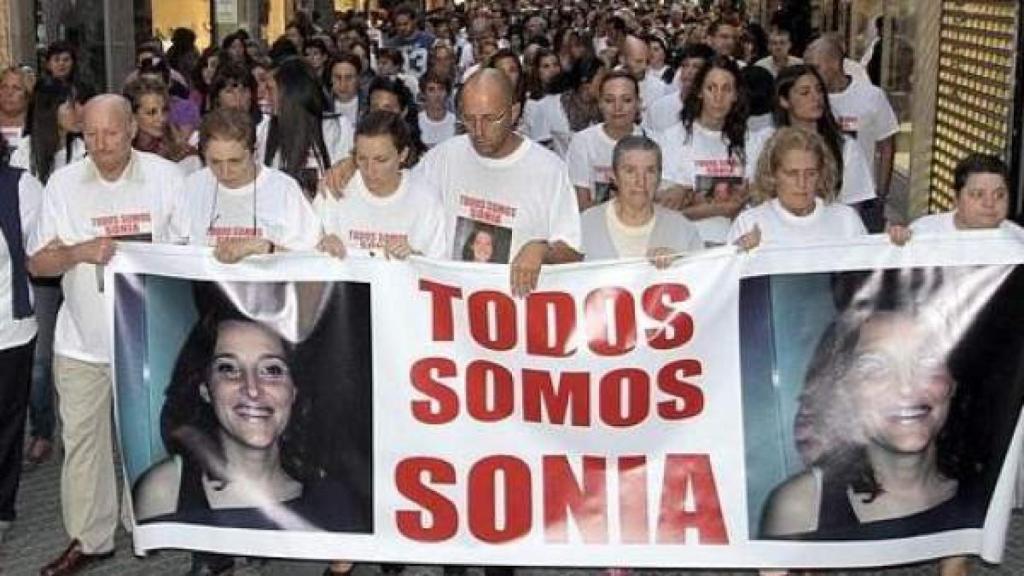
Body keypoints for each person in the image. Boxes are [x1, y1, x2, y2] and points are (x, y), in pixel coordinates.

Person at [28, 94, 185, 576]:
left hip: (148, 338)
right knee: (83, 445)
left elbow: (190, 251)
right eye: (90, 134)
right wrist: (77, 252)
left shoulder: (166, 178)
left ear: (133, 128)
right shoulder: (63, 183)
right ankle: (89, 539)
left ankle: (146, 526)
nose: (100, 144)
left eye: (111, 133)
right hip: (81, 343)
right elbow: (38, 262)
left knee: (147, 439)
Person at [761, 270, 985, 544]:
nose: (906, 386)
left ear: (952, 382)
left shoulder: (988, 497)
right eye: (874, 368)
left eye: (927, 361)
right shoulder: (801, 508)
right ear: (844, 392)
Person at [131, 299, 369, 531]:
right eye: (228, 368)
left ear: (294, 389)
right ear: (205, 388)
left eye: (271, 370)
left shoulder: (336, 503)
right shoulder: (164, 493)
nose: (252, 389)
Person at [419, 69, 582, 295]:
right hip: (451, 305)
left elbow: (572, 252)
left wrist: (542, 251)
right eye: (469, 119)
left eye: (489, 119)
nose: (478, 131)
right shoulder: (442, 158)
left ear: (513, 113)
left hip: (516, 308)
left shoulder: (549, 170)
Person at [168, 107, 321, 262]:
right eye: (215, 162)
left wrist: (266, 248)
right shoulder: (192, 186)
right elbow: (174, 249)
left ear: (254, 152)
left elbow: (311, 259)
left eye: (235, 161)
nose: (225, 172)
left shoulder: (284, 189)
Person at [657, 56, 766, 243]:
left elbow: (757, 199)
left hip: (739, 244)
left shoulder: (752, 142)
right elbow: (666, 210)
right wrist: (720, 208)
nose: (718, 97)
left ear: (736, 95)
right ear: (700, 92)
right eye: (711, 88)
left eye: (726, 89)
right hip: (687, 244)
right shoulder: (672, 139)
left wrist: (693, 196)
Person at [317, 110, 445, 259]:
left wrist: (415, 258)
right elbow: (305, 246)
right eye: (362, 159)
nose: (370, 170)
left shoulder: (426, 200)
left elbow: (439, 264)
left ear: (402, 155)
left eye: (381, 160)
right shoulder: (335, 188)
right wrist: (322, 245)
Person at [804, 35, 898, 232]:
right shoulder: (808, 101)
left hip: (862, 196)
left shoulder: (871, 96)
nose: (811, 75)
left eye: (816, 67)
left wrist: (881, 192)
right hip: (818, 198)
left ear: (834, 63)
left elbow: (887, 144)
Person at [0, 132, 45, 545]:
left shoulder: (20, 187)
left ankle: (1, 508)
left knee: (6, 425)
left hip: (7, 330)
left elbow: (41, 250)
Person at [727, 126, 865, 250]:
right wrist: (740, 255)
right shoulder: (749, 223)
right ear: (773, 175)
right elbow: (728, 268)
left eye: (810, 174)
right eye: (792, 174)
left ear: (821, 174)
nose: (802, 183)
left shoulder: (846, 220)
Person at [581, 134, 701, 264]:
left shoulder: (682, 229)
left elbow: (701, 272)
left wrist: (680, 263)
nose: (640, 181)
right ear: (614, 176)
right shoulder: (585, 225)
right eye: (630, 171)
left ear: (659, 177)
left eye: (650, 171)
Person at [772, 64, 875, 210]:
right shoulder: (768, 143)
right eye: (805, 92)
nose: (816, 97)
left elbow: (853, 206)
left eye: (819, 90)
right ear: (784, 100)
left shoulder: (846, 147)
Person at [258, 57, 354, 199]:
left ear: (291, 93)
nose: (265, 96)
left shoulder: (337, 128)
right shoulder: (266, 129)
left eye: (270, 89)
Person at [889, 154, 1022, 242]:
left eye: (999, 195)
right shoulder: (923, 233)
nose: (989, 203)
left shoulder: (1018, 241)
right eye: (978, 194)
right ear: (956, 199)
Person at [567, 70, 645, 210]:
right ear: (600, 104)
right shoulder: (582, 142)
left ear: (638, 103)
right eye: (609, 100)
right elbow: (581, 203)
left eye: (626, 100)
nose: (618, 107)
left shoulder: (652, 141)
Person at [526, 56, 606, 158]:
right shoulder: (548, 106)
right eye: (602, 79)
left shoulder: (605, 109)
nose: (606, 84)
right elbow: (540, 149)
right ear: (585, 81)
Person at [123, 77, 201, 174]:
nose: (162, 118)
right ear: (132, 115)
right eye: (151, 113)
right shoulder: (121, 154)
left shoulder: (183, 154)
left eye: (164, 110)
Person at [643, 43, 713, 133]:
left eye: (696, 67)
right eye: (685, 66)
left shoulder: (713, 108)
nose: (689, 71)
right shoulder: (659, 106)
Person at [418, 71, 456, 149]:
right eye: (431, 90)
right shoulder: (416, 121)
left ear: (447, 92)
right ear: (423, 94)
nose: (437, 94)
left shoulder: (455, 121)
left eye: (441, 89)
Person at [326, 54, 364, 127]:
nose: (343, 84)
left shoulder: (369, 107)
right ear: (330, 79)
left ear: (358, 78)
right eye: (337, 77)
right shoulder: (322, 107)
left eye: (349, 77)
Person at [0, 66, 31, 149]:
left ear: (27, 94)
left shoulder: (36, 125)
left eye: (16, 88)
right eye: (4, 87)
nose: (9, 93)